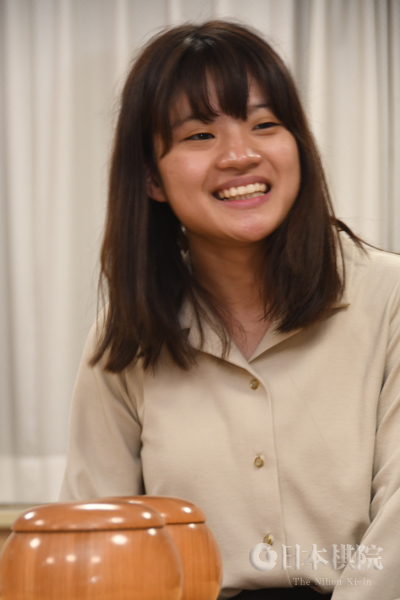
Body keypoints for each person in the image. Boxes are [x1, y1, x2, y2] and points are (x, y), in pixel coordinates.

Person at [59, 21, 400, 600]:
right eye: (199, 135)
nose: (240, 155)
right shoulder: (124, 338)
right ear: (151, 177)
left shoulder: (388, 299)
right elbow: (99, 541)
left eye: (265, 125)